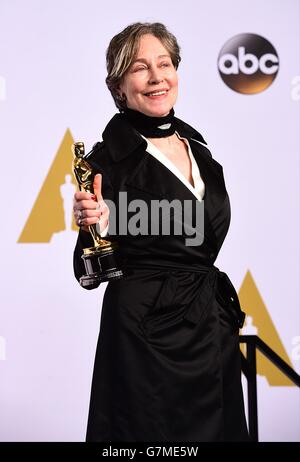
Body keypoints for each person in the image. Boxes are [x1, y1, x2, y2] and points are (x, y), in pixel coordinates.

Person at [73, 22, 249, 442]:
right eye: (139, 68)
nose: (156, 78)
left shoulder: (199, 149)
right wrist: (98, 227)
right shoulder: (105, 163)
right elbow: (88, 275)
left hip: (209, 326)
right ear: (118, 86)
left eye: (164, 64)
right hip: (146, 339)